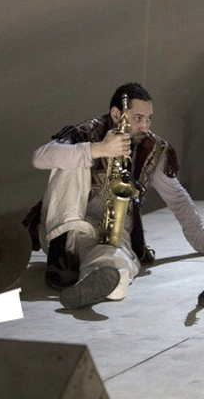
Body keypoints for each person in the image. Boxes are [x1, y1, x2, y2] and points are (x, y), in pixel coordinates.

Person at [31, 82, 204, 309]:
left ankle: (87, 285)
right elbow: (39, 158)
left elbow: (177, 198)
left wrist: (201, 240)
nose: (145, 126)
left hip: (110, 234)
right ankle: (59, 255)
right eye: (138, 118)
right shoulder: (86, 133)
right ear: (116, 114)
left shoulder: (151, 149)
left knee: (117, 271)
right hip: (68, 228)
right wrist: (98, 149)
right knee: (72, 159)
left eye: (149, 119)